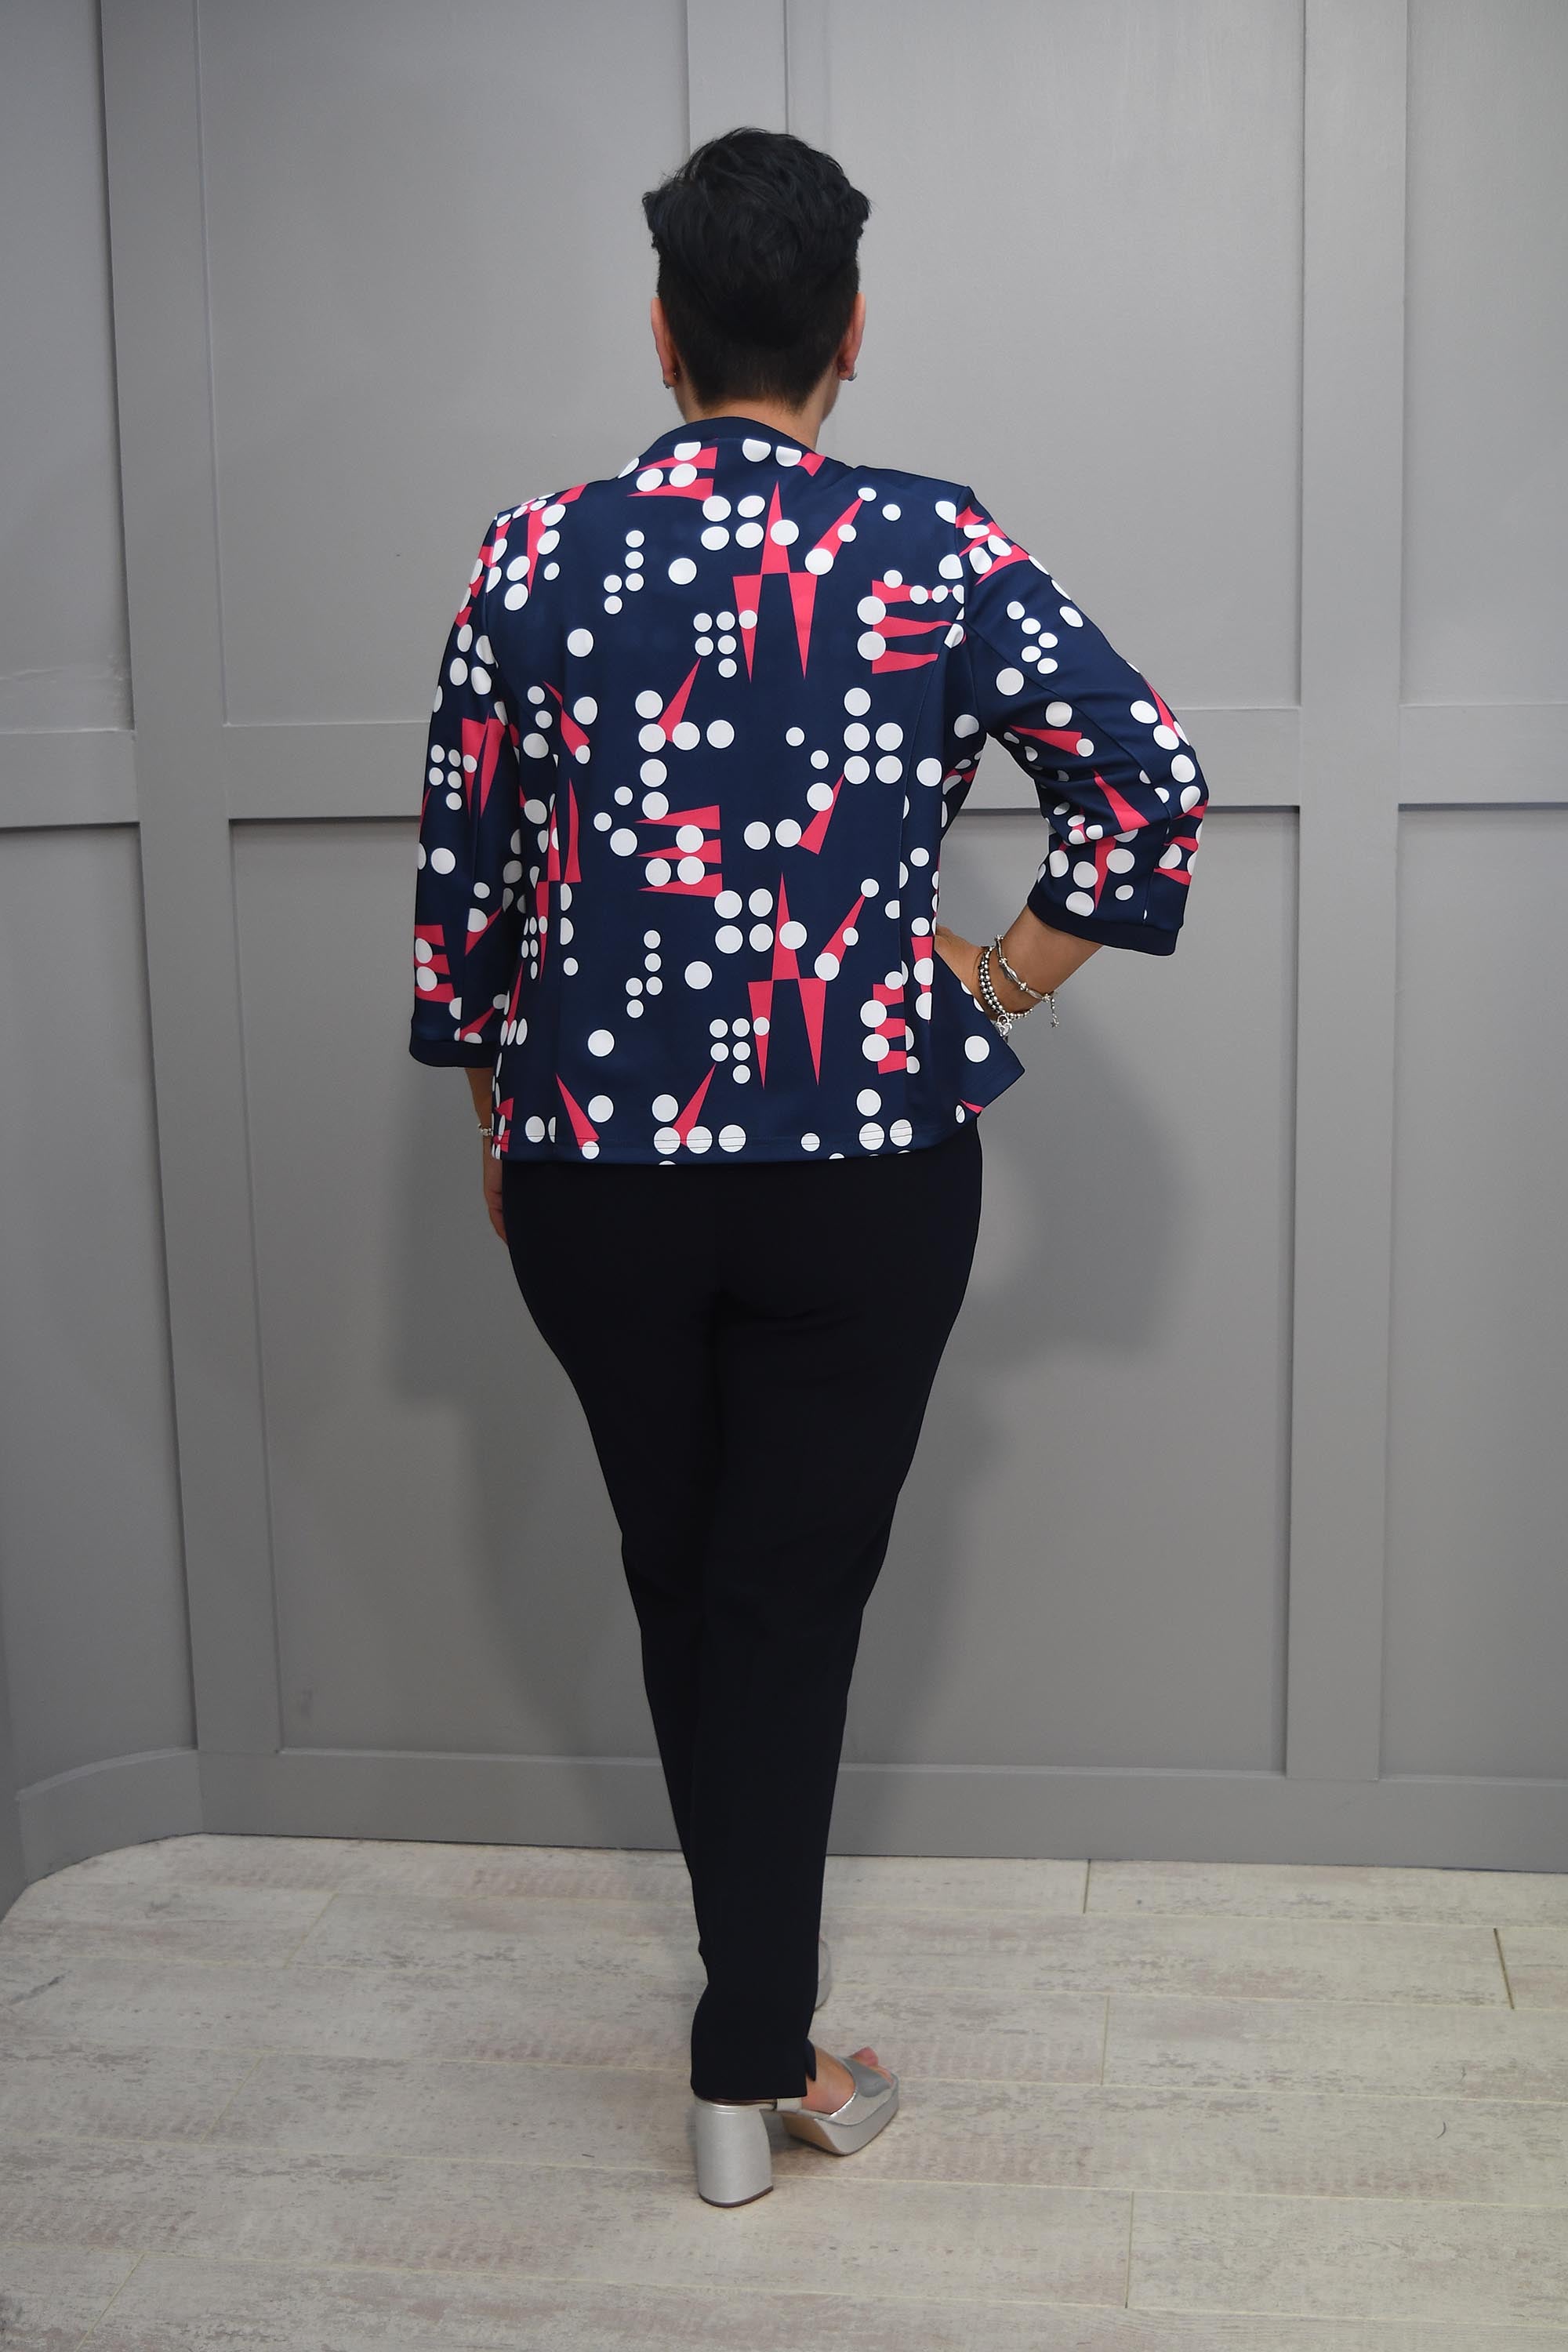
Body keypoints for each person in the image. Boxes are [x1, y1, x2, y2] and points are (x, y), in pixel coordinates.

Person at [408, 125, 1209, 2206]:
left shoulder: (534, 554)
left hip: (596, 1169)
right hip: (863, 1165)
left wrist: (504, 1121)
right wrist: (995, 986)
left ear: (660, 329)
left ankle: (750, 2038)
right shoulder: (933, 546)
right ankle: (754, 2053)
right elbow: (1149, 782)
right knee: (778, 1598)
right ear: (852, 331)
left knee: (689, 1578)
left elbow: (468, 890)